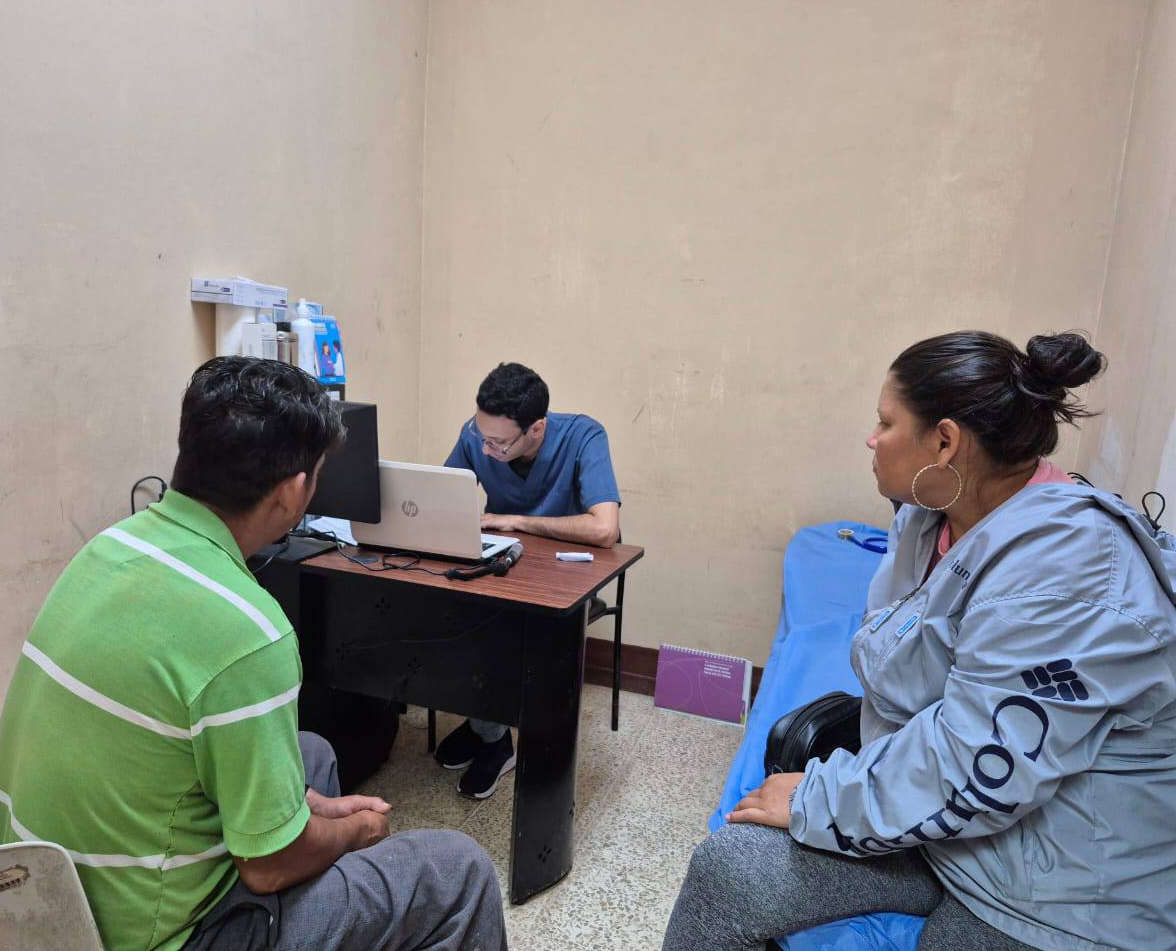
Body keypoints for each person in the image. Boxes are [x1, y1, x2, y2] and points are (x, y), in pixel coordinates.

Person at [664, 331, 1176, 951]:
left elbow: (981, 767)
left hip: (1051, 879)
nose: (872, 439)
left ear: (945, 442)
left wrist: (821, 799)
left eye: (886, 422)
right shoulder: (929, 517)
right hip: (943, 826)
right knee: (731, 870)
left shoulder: (1068, 571)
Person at [0, 357, 506, 951]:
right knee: (456, 869)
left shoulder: (107, 549)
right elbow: (268, 867)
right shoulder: (250, 632)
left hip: (35, 913)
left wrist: (305, 812)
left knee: (311, 754)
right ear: (292, 491)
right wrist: (357, 831)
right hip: (161, 937)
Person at [434, 362, 622, 799]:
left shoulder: (584, 436)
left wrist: (515, 520)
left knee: (495, 626)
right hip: (501, 567)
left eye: (499, 443)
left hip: (566, 577)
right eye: (482, 436)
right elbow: (441, 498)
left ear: (537, 428)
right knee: (445, 609)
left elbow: (604, 529)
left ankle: (492, 736)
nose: (486, 449)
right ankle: (487, 730)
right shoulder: (478, 437)